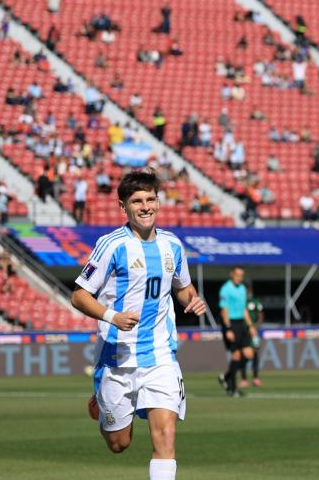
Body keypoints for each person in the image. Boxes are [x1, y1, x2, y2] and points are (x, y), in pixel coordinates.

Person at [70, 169, 208, 480]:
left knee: (165, 434)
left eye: (150, 199)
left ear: (158, 202)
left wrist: (192, 300)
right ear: (124, 208)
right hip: (117, 357)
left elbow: (182, 287)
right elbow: (79, 296)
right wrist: (112, 316)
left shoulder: (173, 245)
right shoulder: (112, 245)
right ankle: (100, 402)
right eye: (136, 201)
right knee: (120, 444)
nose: (145, 206)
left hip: (160, 355)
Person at [217, 266, 254, 397]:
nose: (240, 277)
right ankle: (233, 388)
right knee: (236, 355)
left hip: (241, 324)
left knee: (249, 353)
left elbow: (244, 309)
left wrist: (250, 326)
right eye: (237, 275)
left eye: (242, 275)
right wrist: (228, 328)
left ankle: (226, 377)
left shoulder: (243, 289)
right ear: (232, 274)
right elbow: (224, 310)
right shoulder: (225, 289)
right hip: (230, 323)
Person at [239, 282, 265, 389]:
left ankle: (255, 378)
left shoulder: (255, 302)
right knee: (243, 354)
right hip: (243, 331)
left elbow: (261, 314)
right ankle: (244, 379)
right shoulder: (240, 302)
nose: (248, 293)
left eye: (249, 291)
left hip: (253, 331)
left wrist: (256, 326)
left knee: (255, 354)